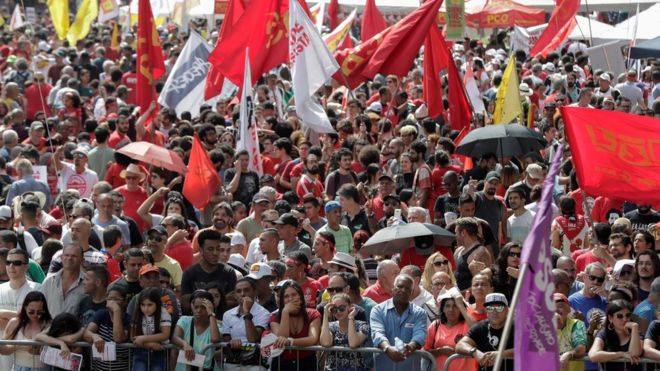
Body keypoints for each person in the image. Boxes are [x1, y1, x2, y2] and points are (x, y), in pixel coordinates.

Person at [370, 274, 427, 371]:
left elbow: (420, 334)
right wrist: (388, 348)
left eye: (407, 288)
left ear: (412, 293)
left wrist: (409, 347)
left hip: (410, 368)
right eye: (400, 287)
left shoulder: (419, 313)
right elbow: (377, 333)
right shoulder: (378, 310)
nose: (403, 290)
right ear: (393, 289)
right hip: (384, 367)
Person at [181, 229, 237, 313]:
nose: (215, 253)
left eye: (218, 249)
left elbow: (233, 303)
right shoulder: (189, 274)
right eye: (210, 249)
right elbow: (185, 305)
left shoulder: (229, 272)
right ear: (201, 250)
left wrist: (199, 300)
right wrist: (222, 299)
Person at [269, 280, 321, 370]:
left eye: (294, 295)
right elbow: (281, 338)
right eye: (286, 296)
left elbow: (313, 339)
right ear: (282, 300)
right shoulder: (274, 317)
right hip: (282, 363)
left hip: (307, 363)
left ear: (300, 296)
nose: (290, 299)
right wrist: (285, 312)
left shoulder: (313, 314)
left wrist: (290, 342)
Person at [456, 293, 515, 371]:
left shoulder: (517, 327)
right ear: (486, 311)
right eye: (490, 308)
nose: (494, 312)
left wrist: (502, 354)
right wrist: (475, 352)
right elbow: (460, 345)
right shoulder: (480, 327)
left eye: (499, 307)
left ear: (507, 310)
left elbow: (527, 349)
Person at [221, 279, 270, 370]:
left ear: (254, 292)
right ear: (235, 295)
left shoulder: (263, 313)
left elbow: (253, 339)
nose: (242, 294)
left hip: (255, 363)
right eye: (239, 291)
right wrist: (231, 341)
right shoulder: (227, 314)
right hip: (233, 361)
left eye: (246, 290)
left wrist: (247, 312)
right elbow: (227, 339)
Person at [424, 292, 477, 371]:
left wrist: (461, 306)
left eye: (455, 306)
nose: (451, 309)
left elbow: (477, 330)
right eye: (447, 306)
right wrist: (441, 351)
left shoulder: (467, 325)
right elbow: (425, 353)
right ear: (443, 309)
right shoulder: (435, 326)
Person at [0, 291, 51, 371]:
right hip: (19, 367)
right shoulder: (15, 323)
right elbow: (3, 350)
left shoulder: (49, 324)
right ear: (25, 307)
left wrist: (39, 351)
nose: (35, 315)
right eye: (31, 311)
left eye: (39, 312)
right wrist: (20, 346)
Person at [320, 293, 371, 371]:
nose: (338, 312)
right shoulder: (330, 326)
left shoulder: (362, 325)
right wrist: (325, 315)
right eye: (334, 309)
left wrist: (351, 317)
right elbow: (326, 343)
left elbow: (353, 343)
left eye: (342, 308)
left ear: (350, 307)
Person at [172, 290, 221, 371]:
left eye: (203, 307)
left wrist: (211, 314)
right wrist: (185, 344)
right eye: (196, 307)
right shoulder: (184, 320)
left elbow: (215, 339)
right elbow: (175, 337)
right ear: (192, 307)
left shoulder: (215, 325)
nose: (199, 310)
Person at [83, 286, 130, 371]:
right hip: (99, 368)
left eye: (116, 299)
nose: (112, 302)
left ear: (124, 302)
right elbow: (86, 333)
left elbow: (118, 338)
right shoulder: (101, 314)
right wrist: (94, 336)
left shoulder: (128, 319)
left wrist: (116, 310)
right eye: (110, 298)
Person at [588, 300, 642, 371]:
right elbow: (593, 356)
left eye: (628, 315)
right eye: (620, 316)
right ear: (610, 318)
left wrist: (635, 327)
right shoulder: (603, 334)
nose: (625, 319)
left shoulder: (636, 333)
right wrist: (621, 354)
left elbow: (634, 354)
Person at [130, 287, 172, 371]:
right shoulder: (137, 313)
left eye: (150, 304)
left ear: (157, 303)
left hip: (159, 351)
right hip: (141, 350)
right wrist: (150, 344)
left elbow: (165, 334)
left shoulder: (163, 313)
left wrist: (143, 338)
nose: (145, 308)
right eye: (143, 304)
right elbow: (133, 337)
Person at [40, 244, 86, 316]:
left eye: (74, 256)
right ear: (61, 258)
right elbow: (40, 308)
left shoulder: (88, 283)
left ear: (82, 260)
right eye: (66, 255)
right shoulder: (49, 281)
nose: (69, 258)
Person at [554, 293, 587, 371]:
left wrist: (568, 354)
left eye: (560, 306)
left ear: (568, 309)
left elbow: (581, 348)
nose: (555, 310)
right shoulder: (544, 327)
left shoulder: (576, 324)